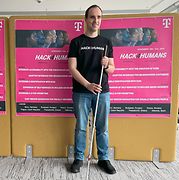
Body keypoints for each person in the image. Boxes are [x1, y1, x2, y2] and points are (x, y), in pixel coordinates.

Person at [68, 4, 116, 174]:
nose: (96, 20)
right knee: (81, 126)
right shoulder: (76, 42)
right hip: (82, 92)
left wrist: (107, 64)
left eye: (99, 17)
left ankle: (103, 159)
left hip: (102, 93)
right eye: (92, 17)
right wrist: (87, 84)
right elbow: (72, 68)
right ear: (86, 19)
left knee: (102, 127)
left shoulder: (106, 43)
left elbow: (112, 69)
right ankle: (79, 158)